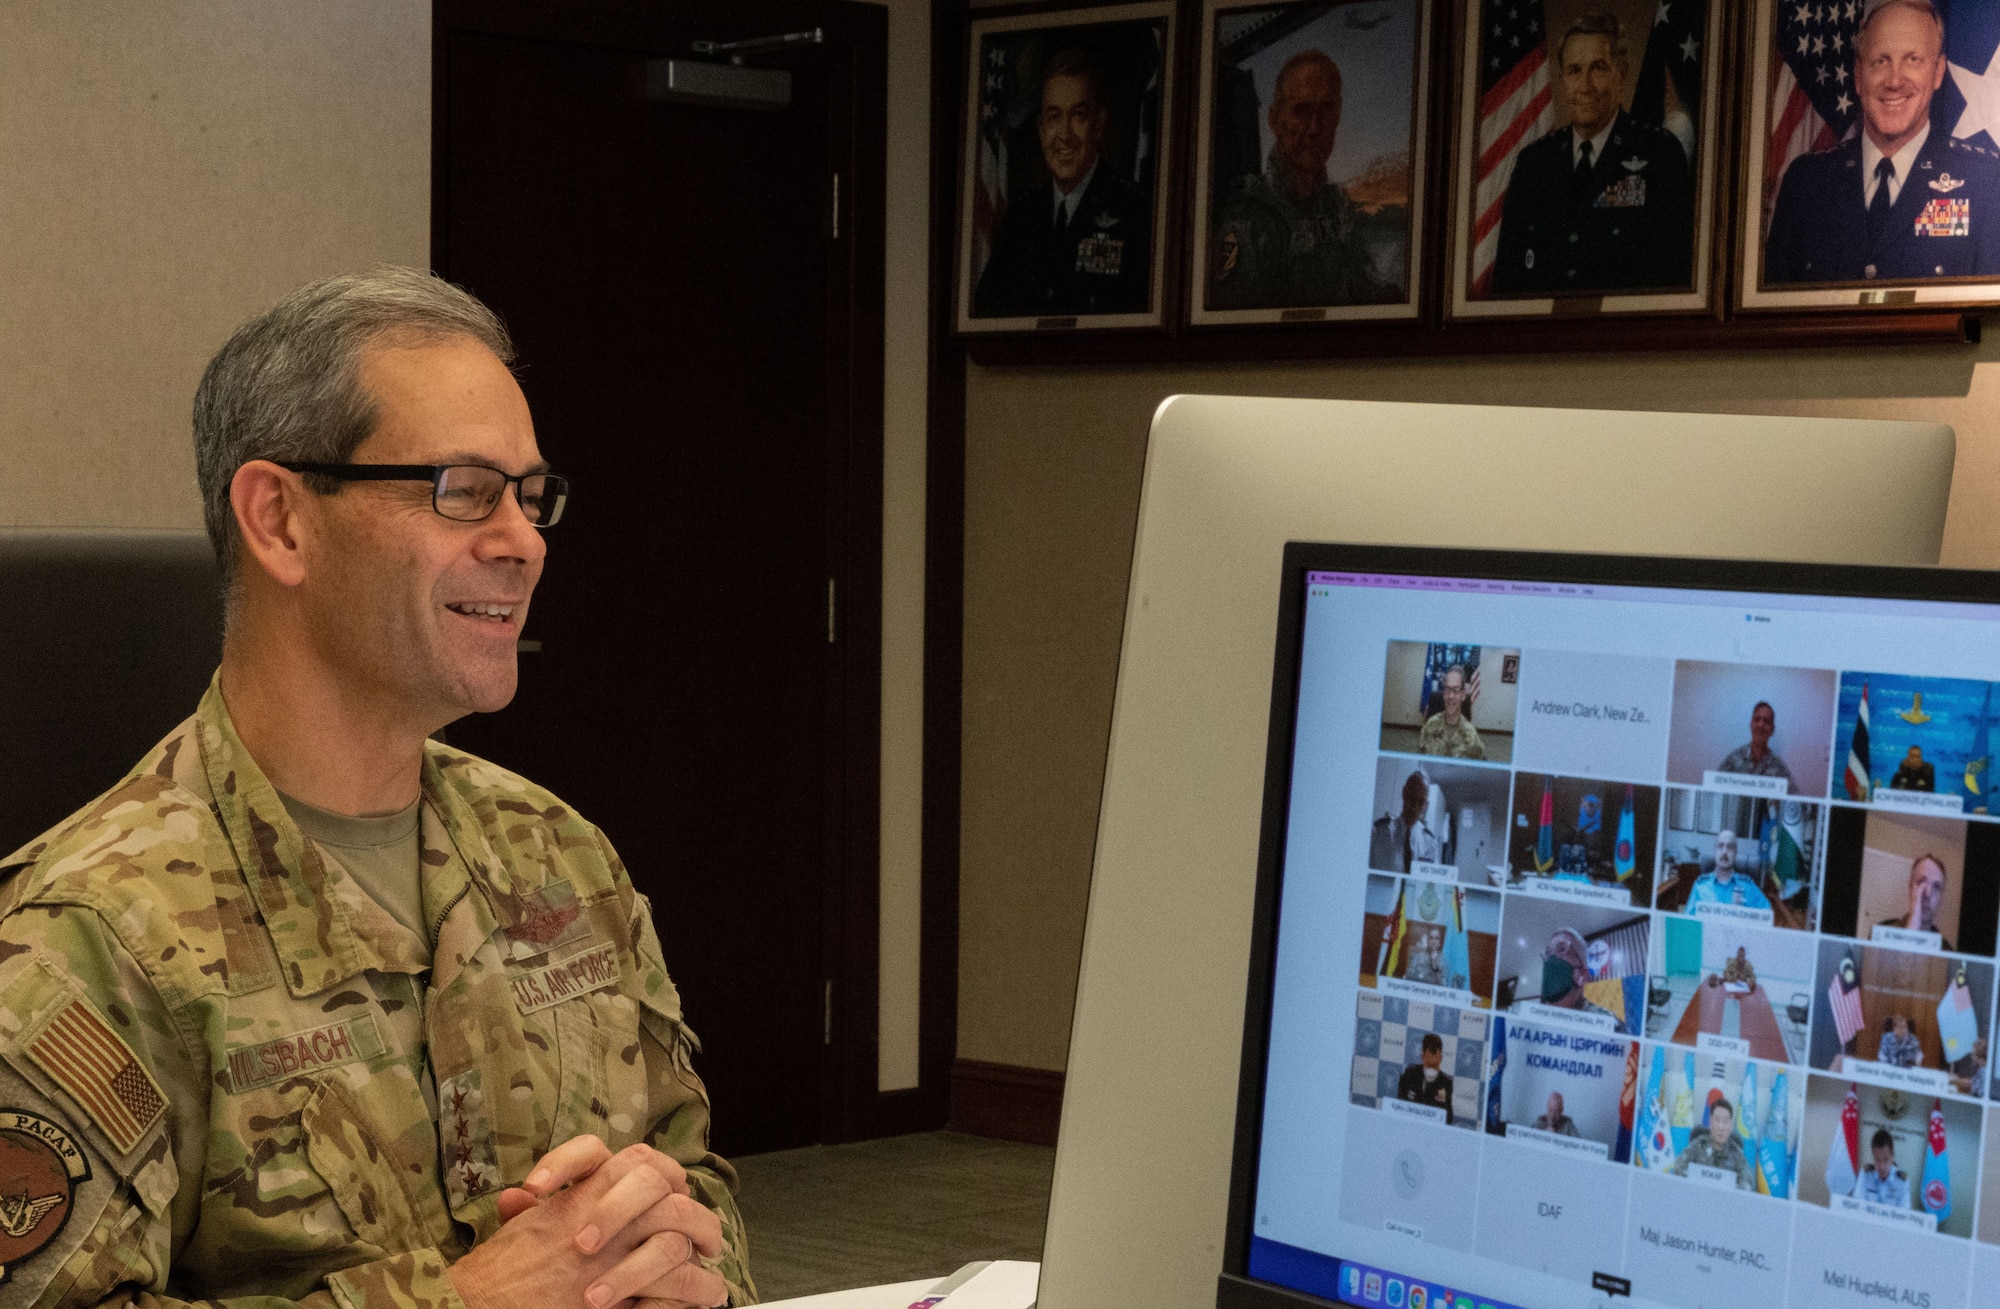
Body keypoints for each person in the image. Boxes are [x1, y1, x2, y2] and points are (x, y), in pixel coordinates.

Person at [0, 271, 751, 1307]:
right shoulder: (87, 941)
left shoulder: (561, 856)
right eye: (462, 491)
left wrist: (676, 1255)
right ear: (279, 519)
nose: (523, 541)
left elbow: (696, 1180)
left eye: (531, 498)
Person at [1765, 0, 2000, 283]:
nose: (1894, 80)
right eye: (1880, 61)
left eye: (1913, 59)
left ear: (1938, 72)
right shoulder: (1806, 183)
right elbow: (1774, 318)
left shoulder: (1986, 183)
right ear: (1858, 76)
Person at [1491, 12, 1694, 294]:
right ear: (1562, 80)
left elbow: (1676, 273)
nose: (1584, 86)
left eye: (1598, 68)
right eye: (1574, 71)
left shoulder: (1660, 154)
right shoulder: (1533, 163)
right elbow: (1507, 279)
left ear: (1621, 73)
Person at [972, 47, 1152, 317]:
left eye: (1078, 115)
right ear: (1041, 129)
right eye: (1054, 117)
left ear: (1099, 124)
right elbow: (986, 315)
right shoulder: (1020, 218)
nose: (1064, 135)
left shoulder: (1135, 213)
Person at [1209, 50, 1396, 309]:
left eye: (1327, 109)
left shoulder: (1337, 207)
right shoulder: (1249, 220)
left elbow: (1362, 289)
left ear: (1338, 114)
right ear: (1275, 120)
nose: (1315, 128)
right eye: (1301, 111)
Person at [1538, 927, 1621, 1024]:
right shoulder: (1532, 1019)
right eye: (1548, 953)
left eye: (1562, 949)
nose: (1551, 959)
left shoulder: (1603, 1022)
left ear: (1583, 976)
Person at [1672, 1099, 1755, 1190]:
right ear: (1710, 1122)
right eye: (1717, 1120)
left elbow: (1748, 1185)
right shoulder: (1698, 1145)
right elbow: (1677, 1170)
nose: (1721, 1127)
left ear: (1730, 1125)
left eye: (1725, 1122)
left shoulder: (1736, 1154)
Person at [1685, 830, 1773, 910]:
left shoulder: (1748, 886)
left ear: (1735, 854)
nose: (1724, 851)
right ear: (1715, 852)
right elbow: (1688, 922)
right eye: (1720, 846)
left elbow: (1767, 915)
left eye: (1730, 847)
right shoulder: (1700, 886)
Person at [1716, 701, 1795, 789]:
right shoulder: (1733, 761)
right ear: (1751, 725)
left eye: (1766, 721)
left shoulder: (1780, 769)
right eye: (1757, 719)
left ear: (1772, 730)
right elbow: (1714, 787)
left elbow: (1794, 800)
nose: (1761, 724)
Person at [1417, 664, 1485, 759]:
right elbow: (1420, 759)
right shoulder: (1430, 726)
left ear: (1463, 695)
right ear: (1443, 693)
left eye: (1456, 690)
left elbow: (1479, 768)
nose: (1451, 696)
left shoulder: (1471, 736)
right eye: (1447, 689)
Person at [1396, 1033, 1455, 1123]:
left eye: (1435, 1060)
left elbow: (1447, 1117)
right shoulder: (1410, 1073)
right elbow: (1399, 1103)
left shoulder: (1446, 1082)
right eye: (1428, 1058)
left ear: (1441, 1058)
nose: (1431, 1062)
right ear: (1422, 1056)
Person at [1855, 1128, 1912, 1207]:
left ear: (1892, 1156)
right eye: (1877, 1160)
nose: (1881, 1166)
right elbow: (1858, 1207)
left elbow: (1904, 1215)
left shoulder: (1902, 1181)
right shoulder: (1865, 1175)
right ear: (1873, 1156)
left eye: (1885, 1160)